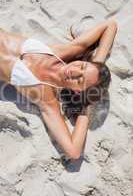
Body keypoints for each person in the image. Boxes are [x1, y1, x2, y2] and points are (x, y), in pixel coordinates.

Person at [0, 19, 117, 159]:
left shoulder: (46, 98)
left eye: (80, 80)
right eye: (82, 66)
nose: (74, 72)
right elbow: (110, 26)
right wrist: (98, 63)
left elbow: (73, 152)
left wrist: (86, 108)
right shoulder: (64, 52)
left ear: (78, 91)